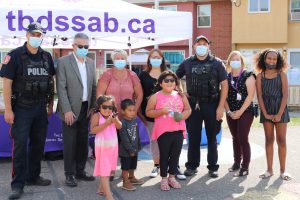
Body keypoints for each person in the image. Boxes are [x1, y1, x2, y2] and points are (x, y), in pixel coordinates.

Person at [0, 22, 54, 199]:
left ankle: (33, 176)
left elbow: (50, 82)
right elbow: (6, 83)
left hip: (40, 107)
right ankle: (17, 184)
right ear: (27, 35)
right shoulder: (15, 55)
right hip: (22, 108)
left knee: (38, 144)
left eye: (40, 35)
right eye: (34, 34)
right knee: (20, 146)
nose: (37, 37)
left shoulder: (46, 57)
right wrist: (8, 110)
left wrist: (49, 105)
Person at [176, 35, 228, 178]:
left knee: (212, 137)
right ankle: (192, 166)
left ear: (208, 46)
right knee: (193, 137)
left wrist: (220, 107)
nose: (201, 46)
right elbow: (175, 77)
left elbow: (224, 85)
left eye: (204, 44)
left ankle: (213, 167)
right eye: (199, 43)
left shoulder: (217, 63)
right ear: (194, 46)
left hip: (212, 104)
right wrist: (181, 92)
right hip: (193, 104)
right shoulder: (187, 63)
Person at [56, 33, 96, 187]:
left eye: (86, 46)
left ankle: (80, 171)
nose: (83, 49)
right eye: (80, 46)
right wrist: (66, 110)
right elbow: (61, 87)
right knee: (70, 143)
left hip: (86, 108)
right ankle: (69, 174)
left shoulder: (91, 62)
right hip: (70, 109)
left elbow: (93, 86)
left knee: (82, 142)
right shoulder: (63, 62)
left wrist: (92, 107)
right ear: (73, 46)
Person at [139, 49, 186, 179]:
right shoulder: (143, 75)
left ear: (162, 59)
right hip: (152, 114)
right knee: (154, 140)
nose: (155, 59)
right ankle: (157, 164)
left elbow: (178, 88)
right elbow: (139, 94)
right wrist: (140, 112)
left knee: (173, 142)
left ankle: (174, 166)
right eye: (153, 57)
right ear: (149, 59)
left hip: (170, 116)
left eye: (158, 57)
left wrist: (182, 100)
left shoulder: (168, 73)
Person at [146, 70, 191, 191]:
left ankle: (172, 177)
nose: (170, 82)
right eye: (166, 80)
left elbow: (188, 109)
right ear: (161, 83)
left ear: (176, 83)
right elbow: (148, 112)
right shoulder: (155, 96)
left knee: (175, 156)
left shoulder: (180, 95)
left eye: (172, 80)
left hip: (178, 131)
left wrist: (181, 116)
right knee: (164, 156)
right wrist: (161, 111)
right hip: (163, 132)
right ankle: (164, 178)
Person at [255, 49, 292, 181]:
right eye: (269, 58)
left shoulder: (281, 74)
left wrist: (279, 113)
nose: (272, 61)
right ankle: (269, 170)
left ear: (278, 61)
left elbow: (285, 95)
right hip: (266, 110)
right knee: (269, 140)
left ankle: (283, 171)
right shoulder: (260, 76)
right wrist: (265, 113)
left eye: (274, 59)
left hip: (280, 108)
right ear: (264, 60)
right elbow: (259, 96)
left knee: (281, 140)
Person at [224, 51, 256, 177]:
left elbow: (250, 96)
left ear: (242, 61)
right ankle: (237, 162)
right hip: (231, 112)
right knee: (235, 138)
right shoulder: (226, 77)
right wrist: (229, 111)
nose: (235, 61)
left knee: (242, 137)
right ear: (229, 62)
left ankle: (245, 166)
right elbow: (224, 96)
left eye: (238, 59)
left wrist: (240, 112)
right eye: (233, 59)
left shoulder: (248, 75)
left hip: (245, 111)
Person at [91, 95, 121, 200]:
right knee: (104, 171)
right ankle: (109, 196)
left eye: (110, 107)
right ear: (99, 106)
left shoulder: (113, 115)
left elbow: (119, 126)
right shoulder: (97, 116)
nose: (107, 110)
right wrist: (107, 123)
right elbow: (93, 130)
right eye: (105, 107)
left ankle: (101, 188)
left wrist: (115, 121)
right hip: (102, 147)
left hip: (113, 147)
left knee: (110, 170)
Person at [96, 49, 143, 117]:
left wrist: (134, 110)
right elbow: (99, 94)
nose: (120, 60)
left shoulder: (132, 75)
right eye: (117, 59)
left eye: (122, 58)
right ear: (113, 60)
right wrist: (104, 110)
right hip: (110, 115)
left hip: (128, 116)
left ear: (126, 60)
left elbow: (140, 94)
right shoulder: (106, 75)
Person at [119, 99, 144, 191]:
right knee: (126, 167)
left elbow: (137, 134)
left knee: (133, 165)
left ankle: (132, 177)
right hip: (126, 150)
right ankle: (125, 182)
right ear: (122, 111)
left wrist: (138, 145)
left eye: (134, 110)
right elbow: (124, 139)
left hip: (134, 148)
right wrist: (131, 150)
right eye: (129, 110)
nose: (132, 112)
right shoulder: (122, 123)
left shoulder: (134, 120)